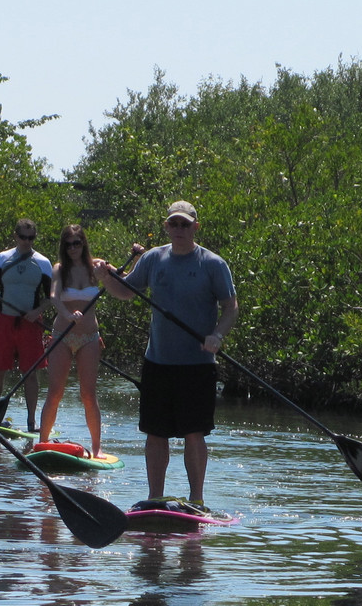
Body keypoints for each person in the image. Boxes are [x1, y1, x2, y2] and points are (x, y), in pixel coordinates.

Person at [93, 200, 238, 512]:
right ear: (166, 227)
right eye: (174, 224)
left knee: (193, 433)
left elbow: (231, 307)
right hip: (157, 361)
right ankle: (155, 498)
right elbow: (126, 291)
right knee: (155, 433)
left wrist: (217, 336)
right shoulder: (152, 259)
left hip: (197, 364)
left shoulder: (213, 264)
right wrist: (106, 278)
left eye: (185, 224)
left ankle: (197, 500)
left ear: (195, 227)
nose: (180, 229)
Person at [0, 218, 54, 433]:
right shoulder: (3, 258)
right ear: (15, 236)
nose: (27, 241)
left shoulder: (43, 263)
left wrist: (37, 312)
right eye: (23, 237)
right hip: (5, 320)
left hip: (31, 323)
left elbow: (51, 297)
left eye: (31, 238)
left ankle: (31, 422)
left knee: (30, 372)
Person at [38, 224, 109, 457]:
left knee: (88, 394)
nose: (73, 248)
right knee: (55, 392)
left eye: (77, 243)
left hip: (89, 337)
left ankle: (97, 449)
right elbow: (54, 296)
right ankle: (42, 443)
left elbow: (125, 279)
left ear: (83, 243)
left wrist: (136, 257)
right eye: (68, 244)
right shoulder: (60, 268)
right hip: (62, 335)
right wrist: (68, 315)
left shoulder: (96, 267)